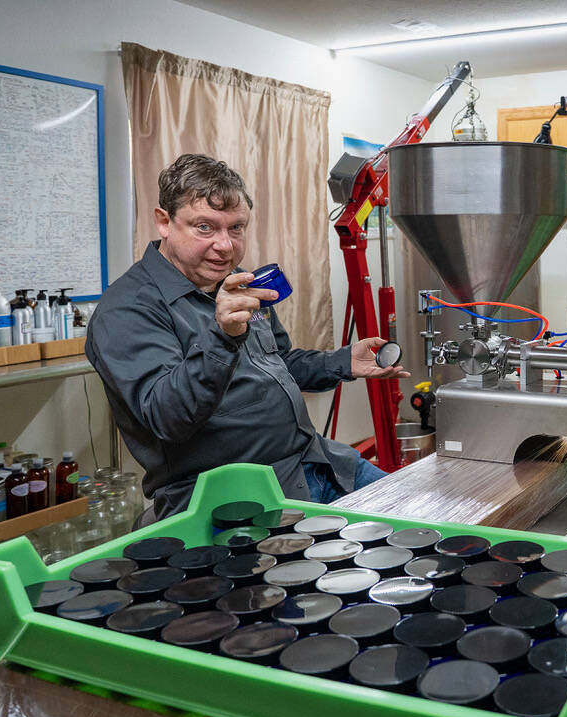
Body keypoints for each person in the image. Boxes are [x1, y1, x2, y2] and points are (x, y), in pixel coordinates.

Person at [86, 153, 408, 521]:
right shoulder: (126, 310)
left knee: (426, 524)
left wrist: (342, 362)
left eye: (236, 228)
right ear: (164, 222)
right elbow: (167, 417)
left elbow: (278, 364)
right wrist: (222, 337)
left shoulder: (235, 281)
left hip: (316, 462)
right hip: (235, 499)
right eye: (204, 227)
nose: (225, 246)